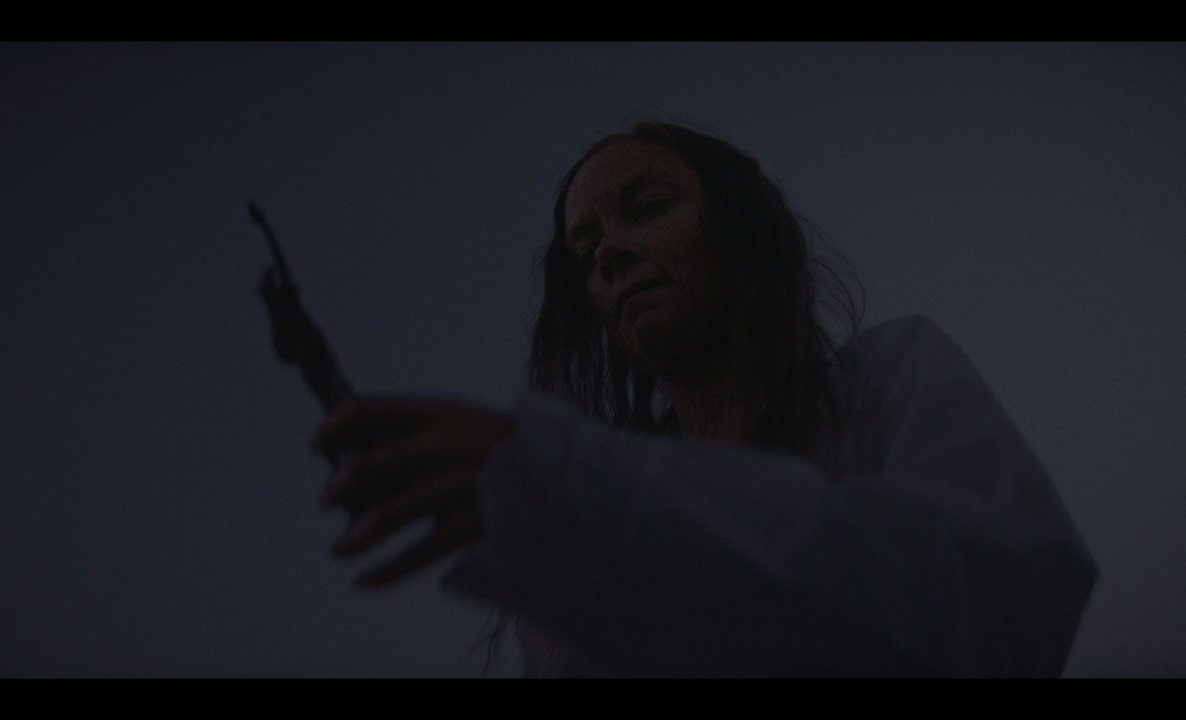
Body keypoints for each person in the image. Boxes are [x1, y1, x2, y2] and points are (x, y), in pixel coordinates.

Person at [308, 121, 1098, 677]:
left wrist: (585, 489)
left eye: (647, 209)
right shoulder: (565, 518)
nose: (610, 254)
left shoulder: (889, 376)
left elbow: (1003, 603)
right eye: (587, 250)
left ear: (737, 229)